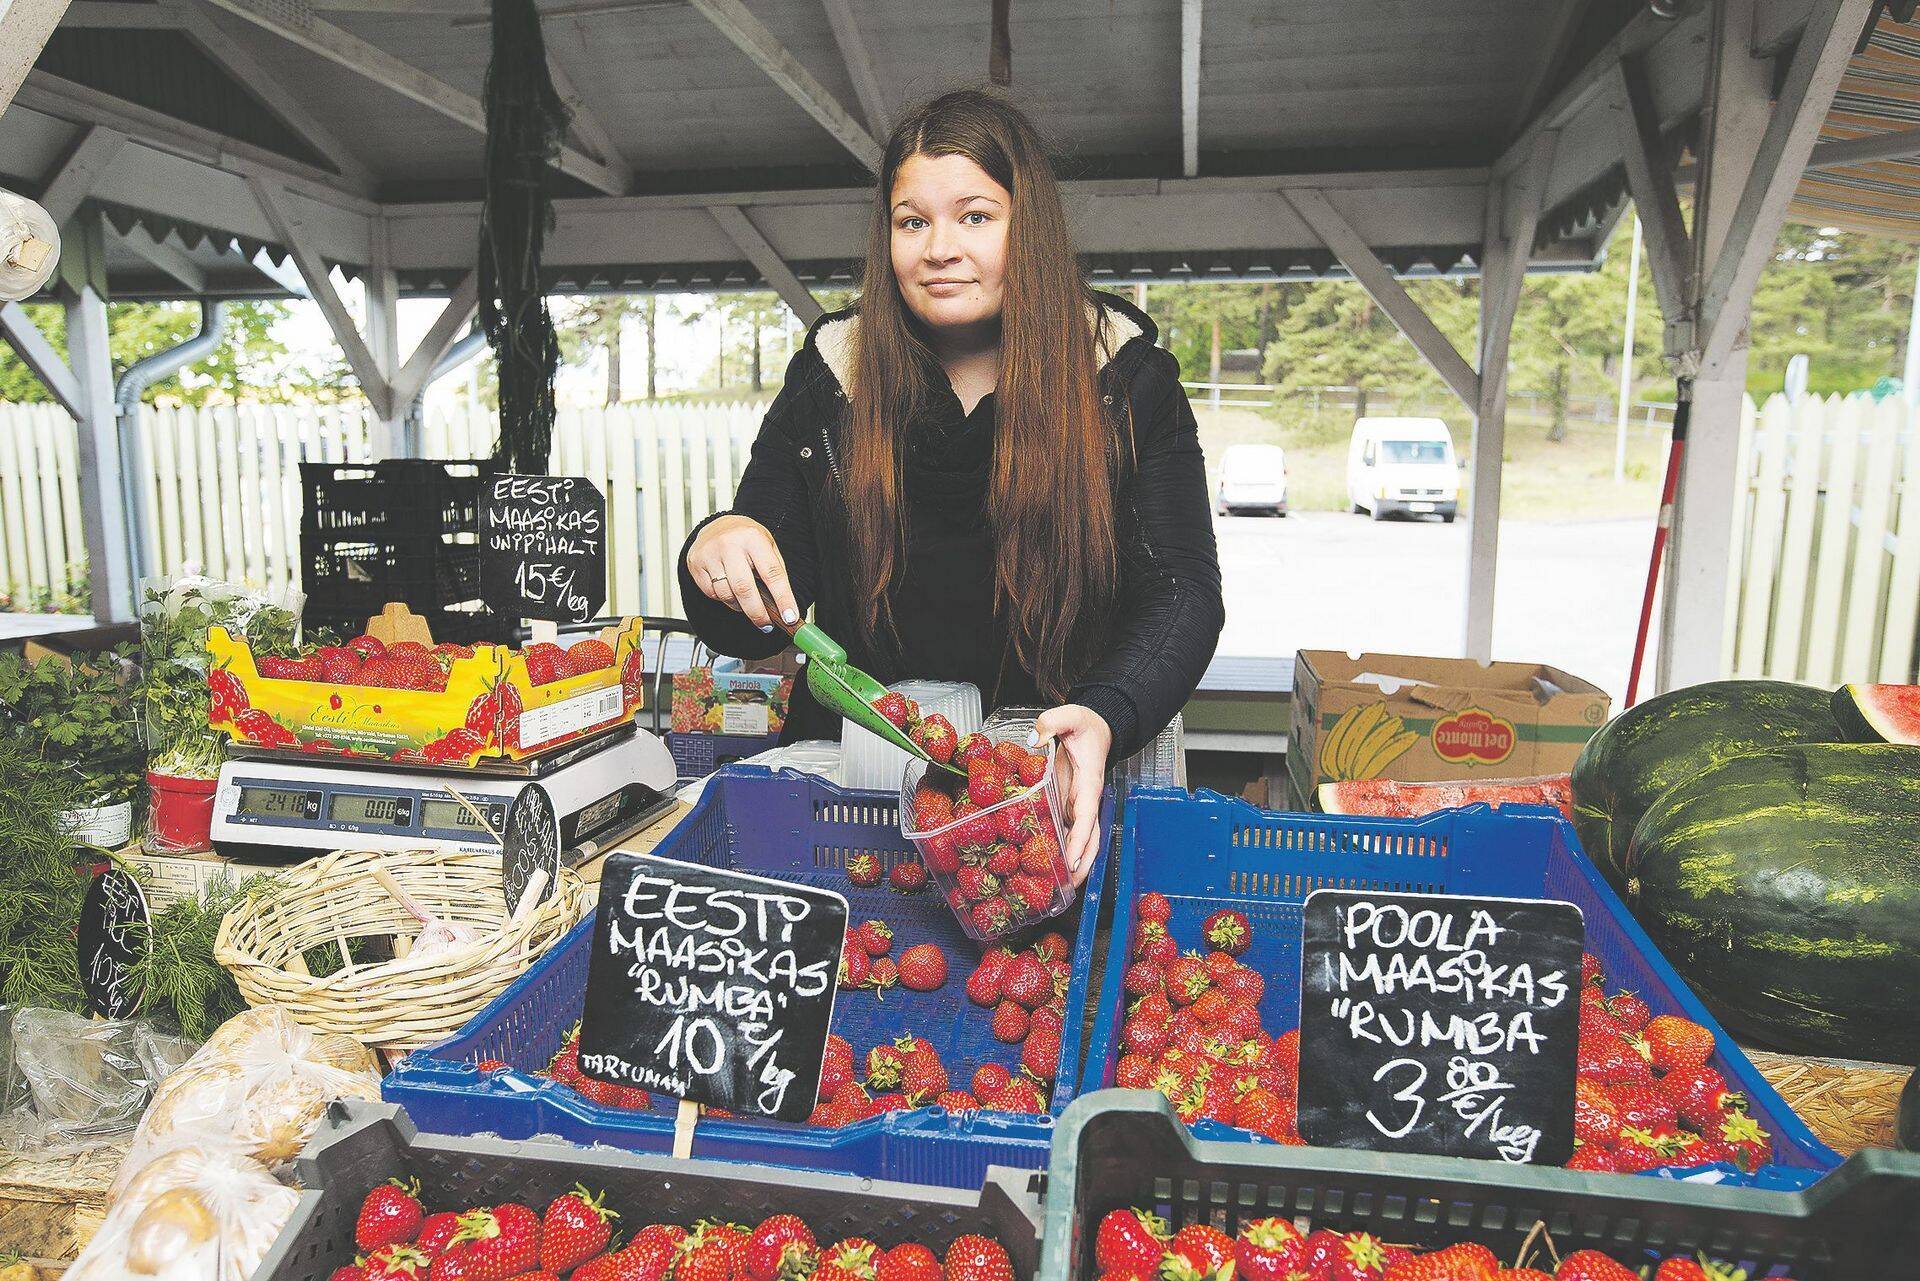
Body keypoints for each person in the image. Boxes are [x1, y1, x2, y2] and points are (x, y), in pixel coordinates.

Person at [679, 89, 1223, 878]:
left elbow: (1182, 590)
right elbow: (760, 620)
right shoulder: (831, 376)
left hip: (1048, 806)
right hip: (856, 813)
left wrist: (1107, 713)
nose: (939, 247)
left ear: (1026, 225)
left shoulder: (1127, 379)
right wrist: (718, 544)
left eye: (974, 215)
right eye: (912, 221)